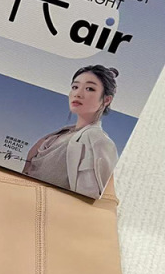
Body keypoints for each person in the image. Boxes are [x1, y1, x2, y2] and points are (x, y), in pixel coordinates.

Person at [23, 65, 119, 198]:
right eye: (75, 87)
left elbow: (89, 196)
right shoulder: (61, 134)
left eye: (89, 88)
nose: (77, 94)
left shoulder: (97, 140)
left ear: (106, 100)